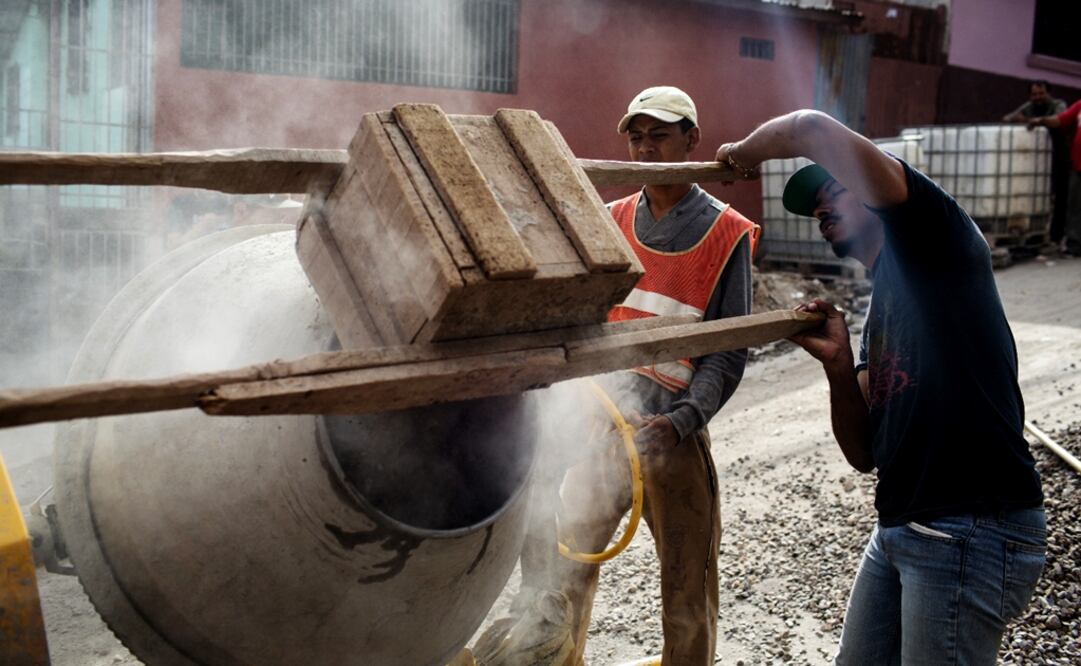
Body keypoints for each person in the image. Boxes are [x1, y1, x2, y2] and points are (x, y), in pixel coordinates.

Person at [716, 110, 1046, 664]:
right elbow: (865, 453)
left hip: (968, 526)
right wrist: (839, 366)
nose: (821, 207)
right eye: (814, 207)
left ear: (874, 191)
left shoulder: (936, 237)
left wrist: (742, 151)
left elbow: (809, 128)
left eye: (834, 190)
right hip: (900, 526)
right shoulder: (880, 310)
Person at [469, 86, 758, 666]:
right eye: (636, 137)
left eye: (661, 135)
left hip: (672, 432)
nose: (646, 148)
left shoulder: (727, 233)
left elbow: (725, 355)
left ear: (692, 140)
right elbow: (585, 325)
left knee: (686, 587)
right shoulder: (611, 219)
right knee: (566, 567)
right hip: (603, 422)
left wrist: (681, 422)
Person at [1003, 80, 1070, 249]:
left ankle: (1057, 236)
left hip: (1059, 157)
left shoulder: (1058, 104)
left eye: (1041, 94)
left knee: (1060, 197)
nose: (1038, 97)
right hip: (1035, 163)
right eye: (1034, 94)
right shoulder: (1030, 106)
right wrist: (1025, 119)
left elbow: (1058, 120)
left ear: (1048, 93)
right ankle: (1037, 232)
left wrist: (1037, 121)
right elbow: (1008, 118)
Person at [1029, 99, 1081, 256]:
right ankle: (1075, 245)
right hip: (1078, 165)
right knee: (1075, 208)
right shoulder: (1080, 105)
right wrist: (1041, 120)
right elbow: (1061, 120)